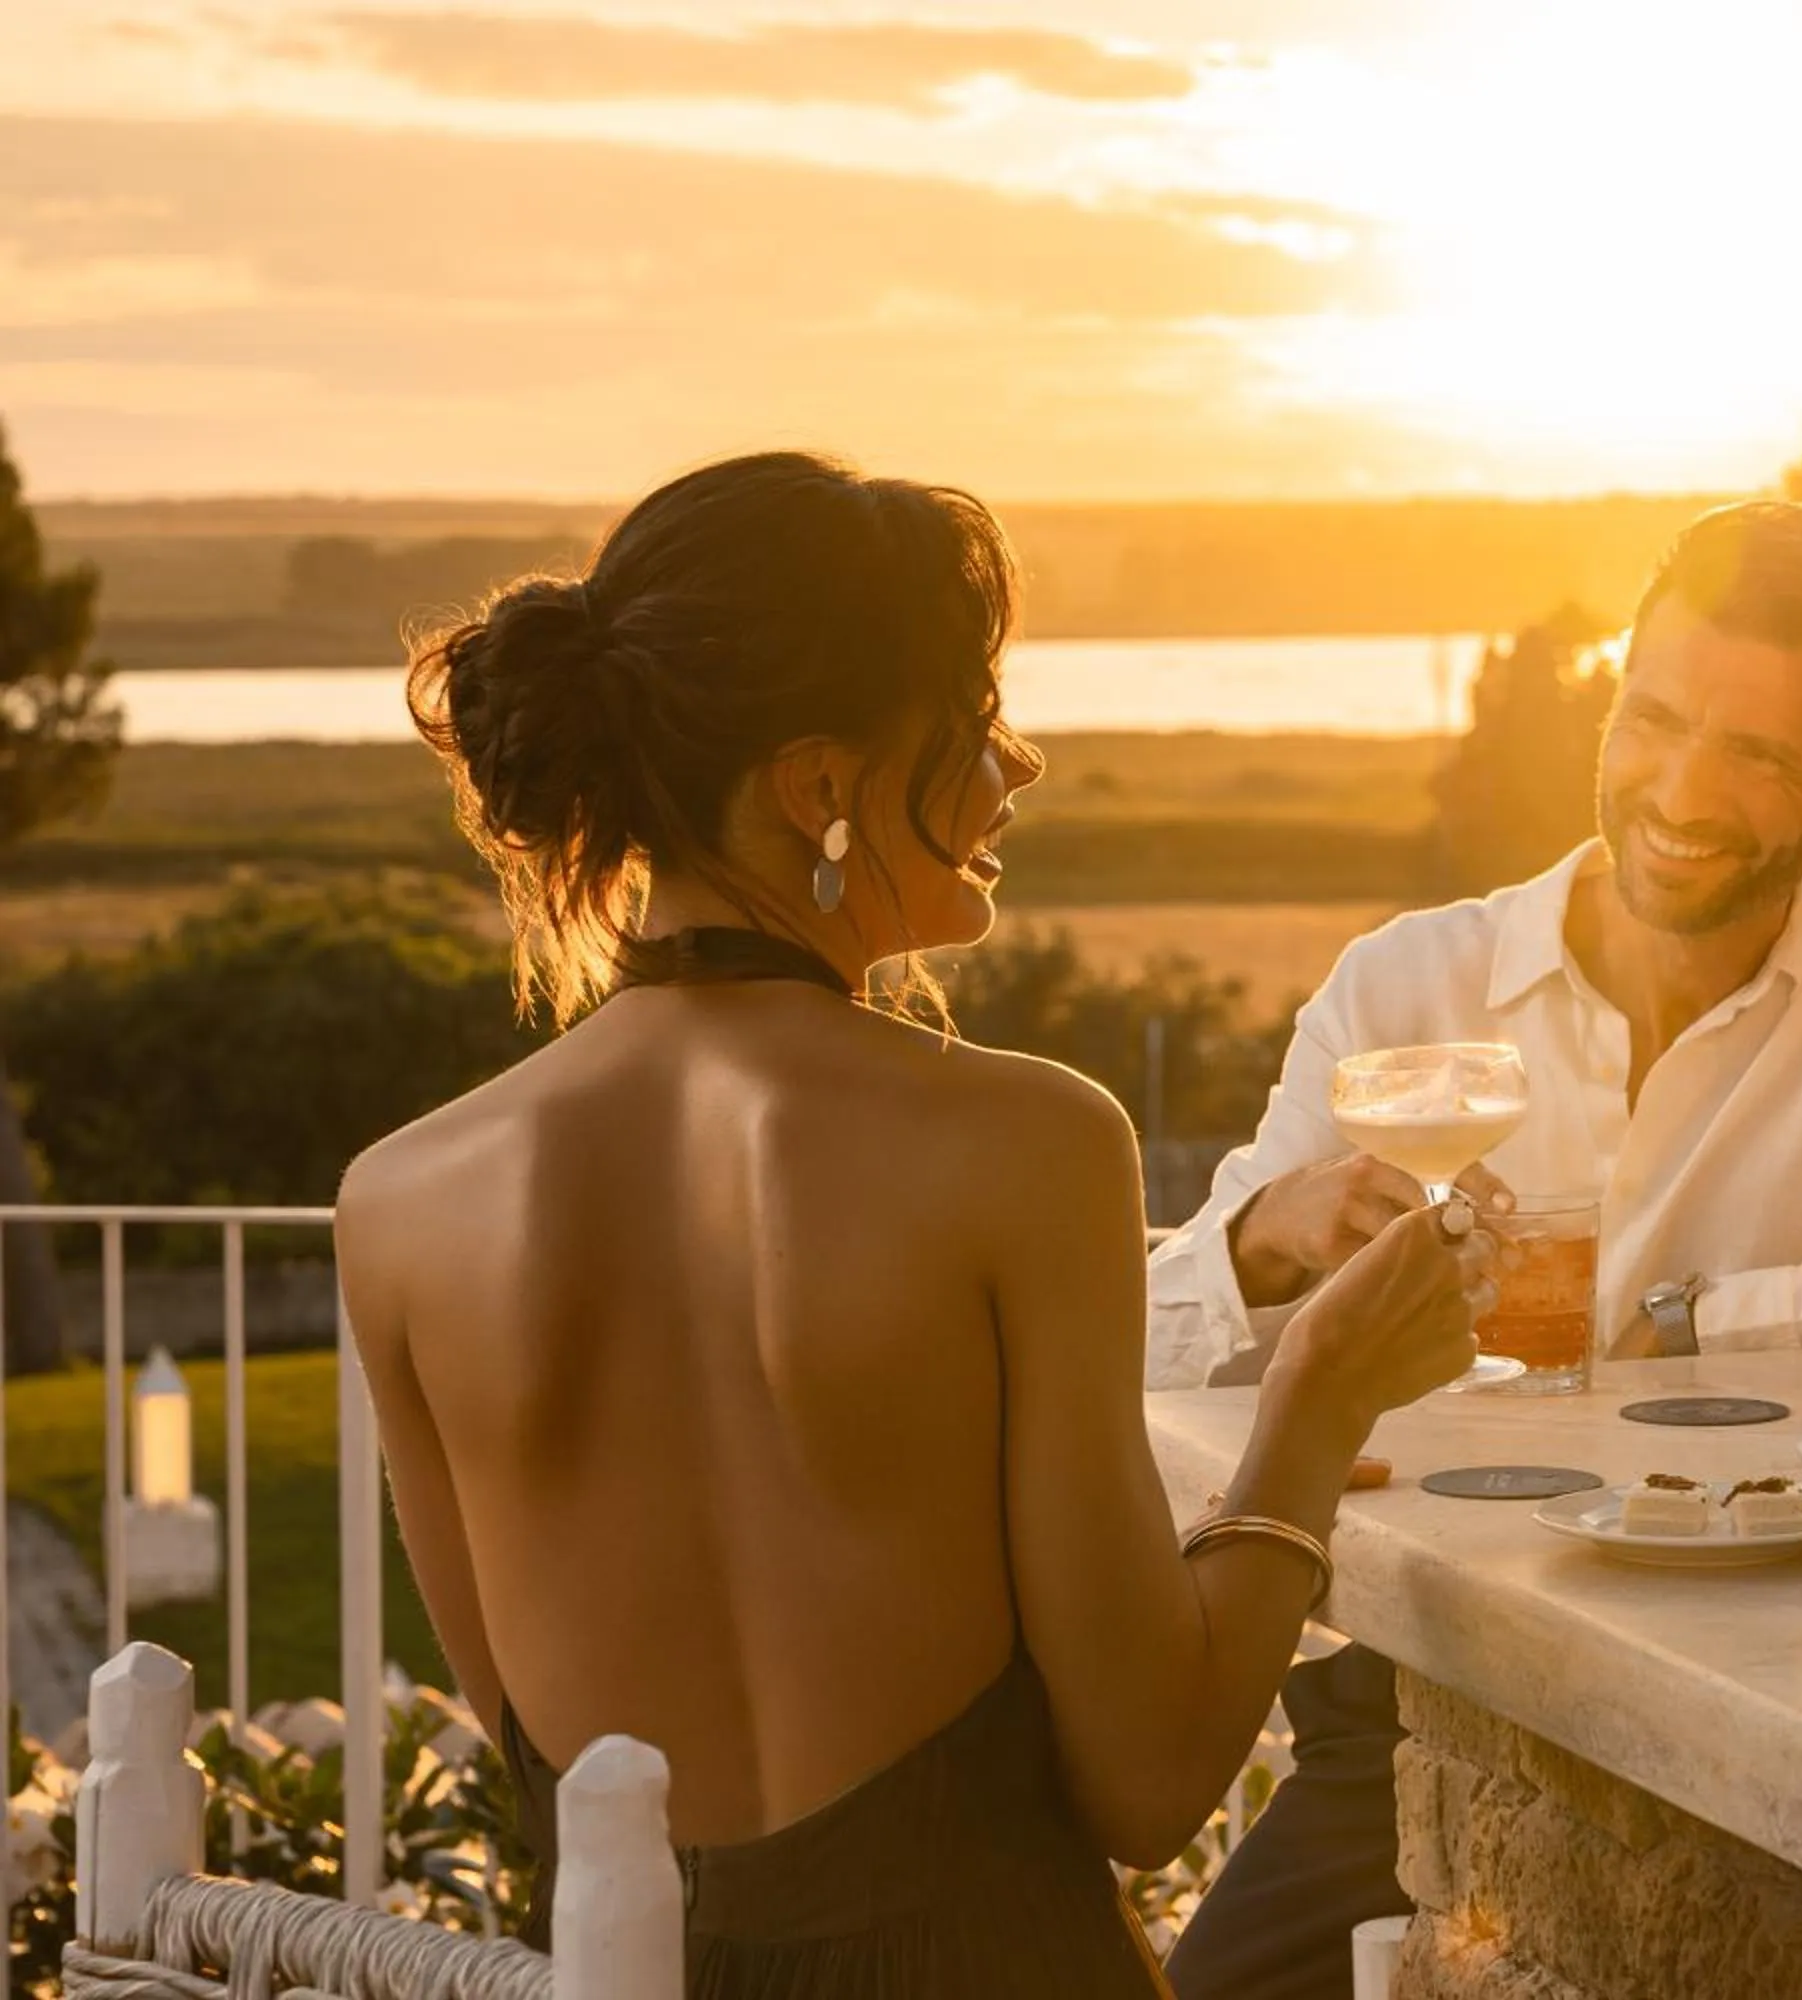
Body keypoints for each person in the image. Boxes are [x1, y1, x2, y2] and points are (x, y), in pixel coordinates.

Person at [335, 452, 1492, 1999]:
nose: (1020, 763)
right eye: (976, 712)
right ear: (820, 787)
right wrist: (1317, 1402)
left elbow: (538, 1753)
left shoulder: (397, 1201)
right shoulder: (1026, 1145)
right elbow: (1151, 1780)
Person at [1147, 499, 1802, 2000]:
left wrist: (1689, 1320)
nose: (1681, 793)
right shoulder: (1409, 984)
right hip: (1425, 1698)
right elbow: (1161, 1357)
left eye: (1756, 754)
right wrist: (1262, 1241)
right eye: (1656, 719)